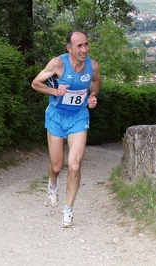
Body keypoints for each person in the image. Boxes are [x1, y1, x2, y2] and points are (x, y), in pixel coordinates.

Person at [31, 31, 101, 228]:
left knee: (75, 165)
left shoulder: (92, 66)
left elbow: (96, 83)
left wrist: (93, 96)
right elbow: (35, 83)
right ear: (69, 48)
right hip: (56, 117)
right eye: (79, 46)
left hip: (79, 116)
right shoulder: (58, 64)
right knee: (57, 166)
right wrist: (54, 91)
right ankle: (53, 184)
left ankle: (68, 210)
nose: (84, 49)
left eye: (86, 44)